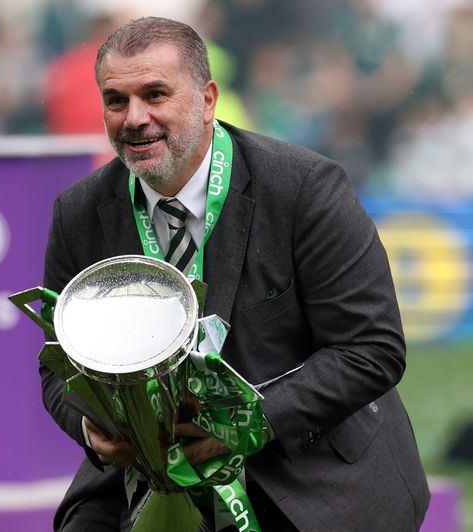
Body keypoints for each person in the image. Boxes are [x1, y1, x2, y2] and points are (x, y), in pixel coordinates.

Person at [40, 16, 430, 531]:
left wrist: (245, 425)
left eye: (156, 94)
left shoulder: (305, 189)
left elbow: (372, 349)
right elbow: (57, 368)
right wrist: (94, 430)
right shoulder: (79, 213)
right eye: (116, 100)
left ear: (206, 99)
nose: (134, 118)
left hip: (300, 469)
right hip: (146, 474)